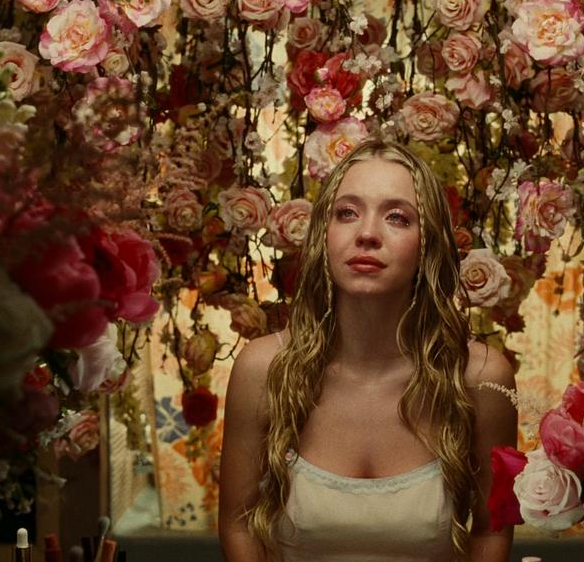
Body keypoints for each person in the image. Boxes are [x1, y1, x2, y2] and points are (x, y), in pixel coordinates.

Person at [218, 139, 517, 562]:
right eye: (347, 213)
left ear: (428, 243)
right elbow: (238, 524)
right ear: (323, 234)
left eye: (397, 217)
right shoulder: (264, 369)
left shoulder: (481, 378)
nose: (367, 234)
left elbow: (492, 530)